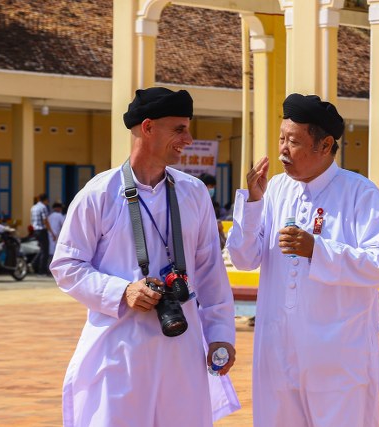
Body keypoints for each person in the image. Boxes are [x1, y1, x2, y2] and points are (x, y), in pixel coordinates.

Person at [50, 87, 238, 427]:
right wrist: (122, 291)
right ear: (148, 127)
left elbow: (210, 271)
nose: (188, 139)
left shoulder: (193, 192)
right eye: (179, 129)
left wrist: (221, 333)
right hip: (121, 349)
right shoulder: (100, 193)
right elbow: (67, 264)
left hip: (182, 347)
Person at [226, 93, 379, 427]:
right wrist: (253, 204)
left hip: (337, 359)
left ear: (325, 145)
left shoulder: (359, 192)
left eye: (293, 141)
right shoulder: (275, 189)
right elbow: (243, 259)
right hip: (278, 353)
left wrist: (317, 250)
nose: (282, 151)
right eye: (281, 139)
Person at [199, 173, 227, 249]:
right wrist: (215, 225)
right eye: (211, 186)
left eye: (213, 187)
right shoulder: (197, 202)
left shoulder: (210, 202)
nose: (213, 190)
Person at [30, 193, 53, 275]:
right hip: (42, 230)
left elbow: (32, 220)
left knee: (42, 250)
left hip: (35, 231)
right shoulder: (43, 207)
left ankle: (33, 264)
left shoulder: (33, 207)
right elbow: (45, 221)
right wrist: (52, 232)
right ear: (45, 200)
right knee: (45, 252)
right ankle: (42, 271)